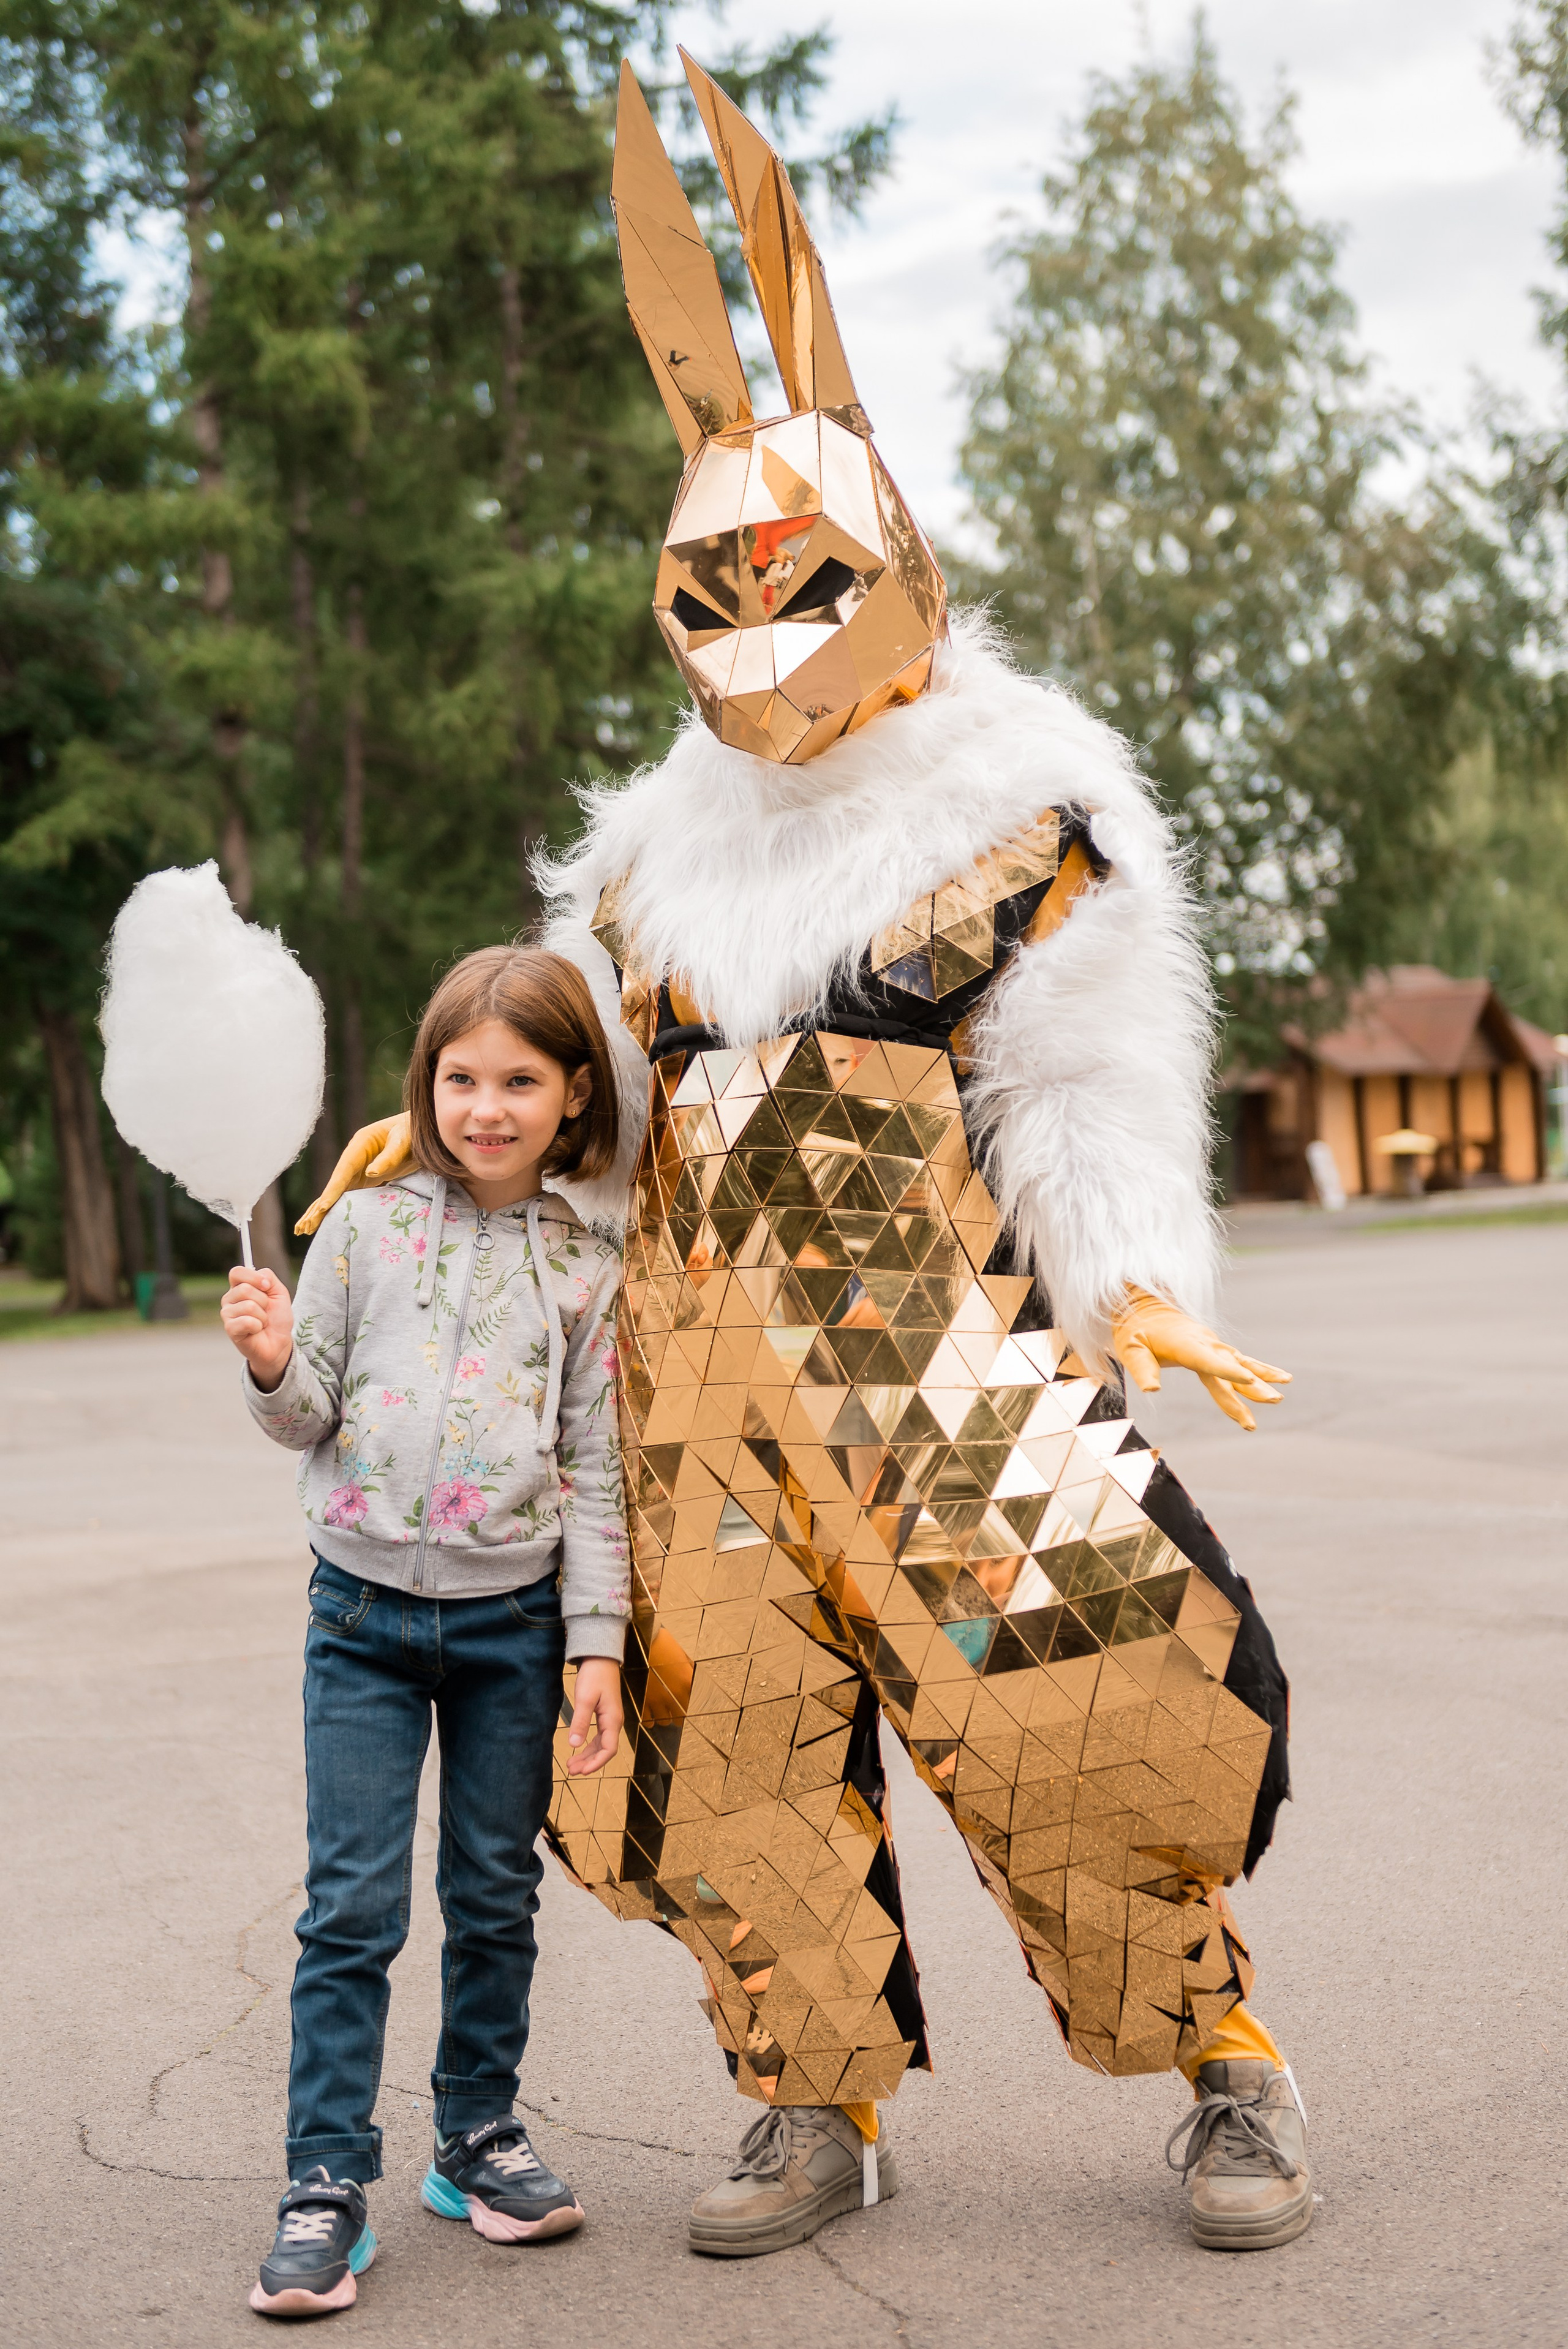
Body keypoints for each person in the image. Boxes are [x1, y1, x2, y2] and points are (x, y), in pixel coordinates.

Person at [296, 55, 1312, 2263]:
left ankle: (1226, 2061)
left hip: (945, 1376)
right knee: (722, 1749)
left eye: (802, 575)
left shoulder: (1015, 817)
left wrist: (1139, 1276)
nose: (760, 623)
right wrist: (452, 1143)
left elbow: (1090, 1078)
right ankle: (806, 2100)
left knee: (1083, 1716)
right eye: (717, 585)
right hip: (698, 1410)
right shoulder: (654, 871)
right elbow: (589, 1097)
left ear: (895, 566)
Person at [222, 947, 631, 2319]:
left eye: (521, 1079)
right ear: (428, 1083)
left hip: (514, 1620)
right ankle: (324, 2183)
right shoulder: (362, 1228)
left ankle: (476, 2136)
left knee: (494, 1901)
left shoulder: (585, 1262)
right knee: (349, 1910)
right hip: (359, 1619)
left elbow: (595, 1467)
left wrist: (595, 1645)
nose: (487, 1106)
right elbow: (306, 1416)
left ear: (574, 1095)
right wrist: (274, 1358)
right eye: (462, 1077)